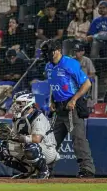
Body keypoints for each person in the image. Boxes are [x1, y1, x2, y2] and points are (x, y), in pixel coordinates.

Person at [41, 39, 95, 178]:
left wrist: (74, 99)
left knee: (78, 139)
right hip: (58, 109)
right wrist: (52, 100)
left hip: (72, 107)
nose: (47, 54)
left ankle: (87, 170)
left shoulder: (70, 63)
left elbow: (87, 84)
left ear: (58, 50)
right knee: (50, 140)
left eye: (49, 51)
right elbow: (53, 85)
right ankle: (46, 169)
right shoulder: (48, 66)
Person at [0, 91, 59, 179]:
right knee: (1, 149)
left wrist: (14, 137)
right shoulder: (17, 118)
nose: (16, 105)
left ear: (28, 103)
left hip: (47, 149)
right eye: (15, 103)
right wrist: (8, 136)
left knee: (29, 146)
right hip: (29, 147)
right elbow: (16, 137)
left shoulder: (38, 116)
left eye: (19, 103)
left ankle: (44, 171)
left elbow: (37, 139)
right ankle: (29, 171)